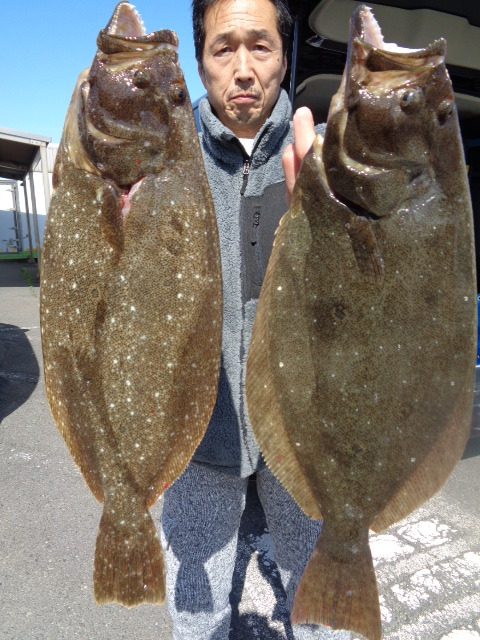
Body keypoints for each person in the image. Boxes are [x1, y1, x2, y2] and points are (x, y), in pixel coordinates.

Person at [160, 1, 351, 639]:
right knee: (196, 617)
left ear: (285, 55)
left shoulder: (327, 157)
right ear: (201, 62)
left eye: (261, 46)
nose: (243, 68)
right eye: (224, 48)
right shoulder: (161, 158)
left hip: (300, 432)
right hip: (194, 438)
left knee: (324, 611)